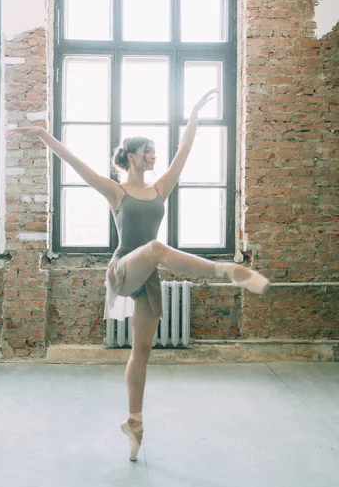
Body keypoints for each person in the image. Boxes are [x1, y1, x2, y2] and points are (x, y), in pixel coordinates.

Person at [17, 88, 269, 462]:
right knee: (154, 248)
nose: (154, 155)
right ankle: (225, 271)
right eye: (147, 150)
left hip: (147, 276)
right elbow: (75, 163)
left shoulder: (159, 188)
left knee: (142, 352)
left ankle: (134, 423)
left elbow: (185, 150)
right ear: (131, 156)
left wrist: (195, 113)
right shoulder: (116, 190)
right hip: (123, 269)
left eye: (154, 150)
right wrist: (42, 136)